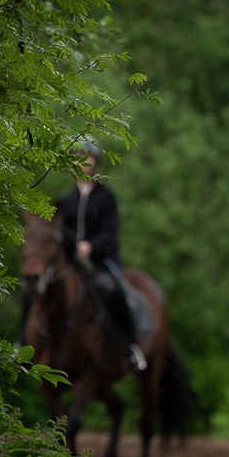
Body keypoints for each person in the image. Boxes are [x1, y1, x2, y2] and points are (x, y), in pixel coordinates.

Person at [55, 139, 147, 372]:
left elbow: (110, 231)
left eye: (86, 158)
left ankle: (132, 346)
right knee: (39, 288)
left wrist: (91, 247)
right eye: (76, 158)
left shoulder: (106, 196)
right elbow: (61, 233)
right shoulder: (67, 200)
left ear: (95, 163)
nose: (81, 163)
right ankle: (22, 342)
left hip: (102, 260)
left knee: (116, 290)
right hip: (74, 263)